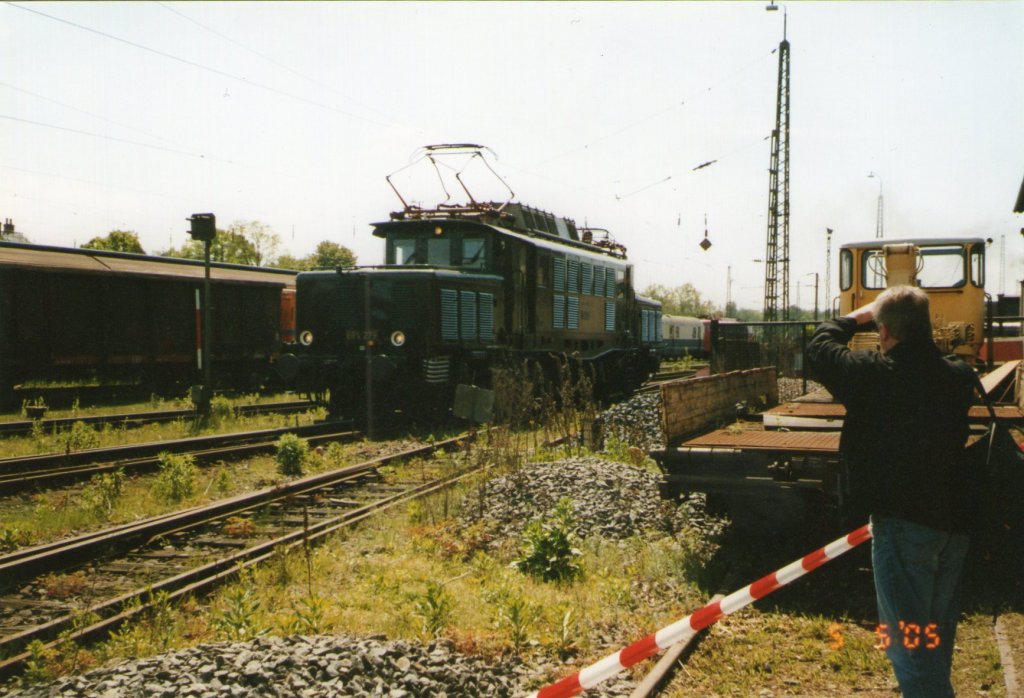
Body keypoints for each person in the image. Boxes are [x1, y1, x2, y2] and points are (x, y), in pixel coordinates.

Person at [805, 285, 975, 698]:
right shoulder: (958, 375)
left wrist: (859, 316)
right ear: (926, 325)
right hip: (953, 528)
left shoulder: (871, 374)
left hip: (903, 527)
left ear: (883, 331)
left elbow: (819, 345)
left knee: (908, 647)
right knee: (930, 640)